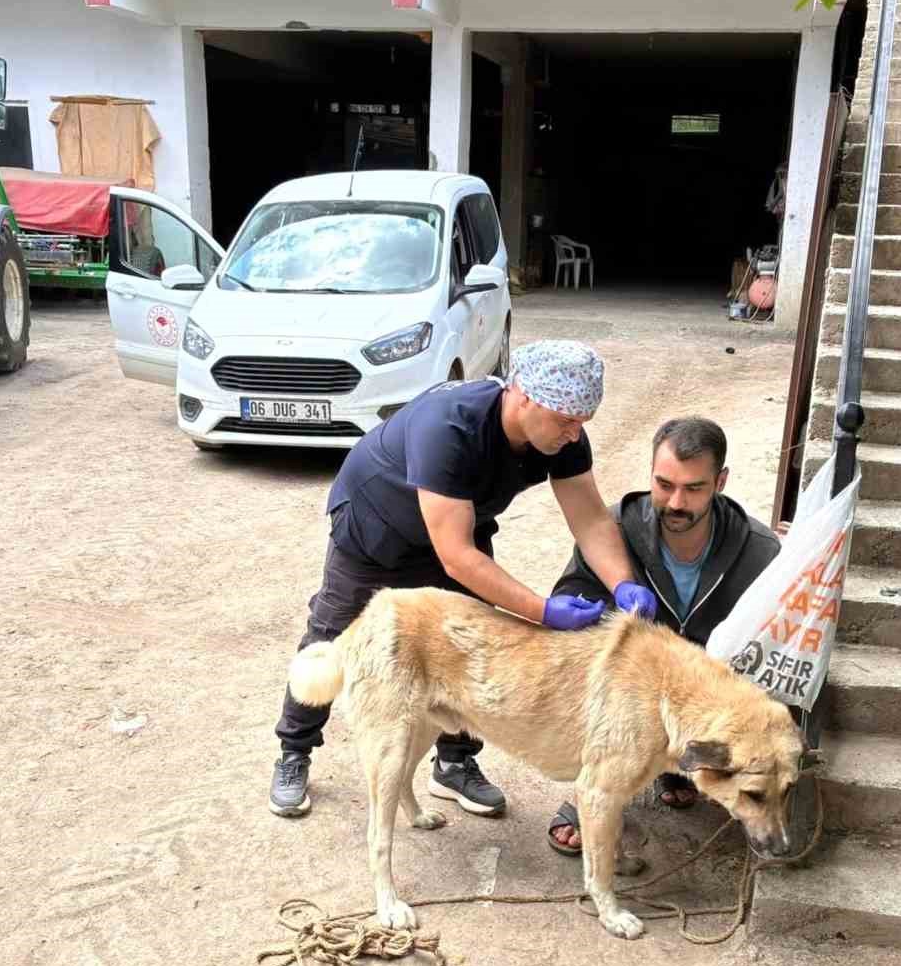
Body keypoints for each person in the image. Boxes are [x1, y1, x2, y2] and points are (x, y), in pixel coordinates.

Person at [268, 340, 659, 818]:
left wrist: (622, 583)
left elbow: (591, 520)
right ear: (523, 396)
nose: (574, 434)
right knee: (334, 630)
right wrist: (542, 611)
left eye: (583, 423)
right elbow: (456, 557)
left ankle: (454, 764)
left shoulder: (563, 434)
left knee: (471, 642)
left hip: (458, 525)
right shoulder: (449, 426)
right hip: (377, 527)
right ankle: (295, 750)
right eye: (565, 420)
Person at [545, 416, 781, 855]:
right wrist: (595, 615)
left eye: (694, 488)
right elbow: (568, 600)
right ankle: (591, 789)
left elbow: (778, 647)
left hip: (707, 694)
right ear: (650, 473)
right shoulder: (612, 529)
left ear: (721, 482)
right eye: (664, 484)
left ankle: (682, 768)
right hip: (632, 695)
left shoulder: (761, 551)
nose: (676, 502)